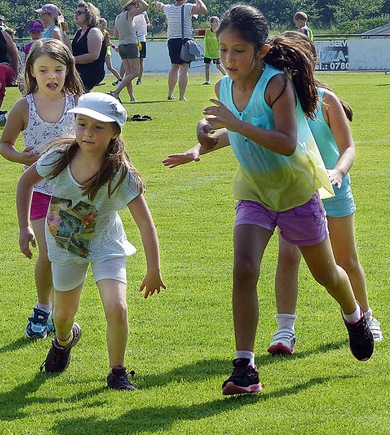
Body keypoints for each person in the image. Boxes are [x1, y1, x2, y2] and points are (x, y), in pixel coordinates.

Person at [162, 5, 374, 395]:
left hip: (296, 192)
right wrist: (200, 146)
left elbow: (285, 141)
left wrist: (235, 123)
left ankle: (354, 315)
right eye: (223, 50)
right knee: (243, 268)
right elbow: (234, 134)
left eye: (238, 50)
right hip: (254, 193)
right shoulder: (223, 87)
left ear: (260, 51)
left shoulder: (277, 85)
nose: (228, 59)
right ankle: (244, 367)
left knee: (326, 273)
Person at [16, 92, 166, 390]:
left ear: (114, 133)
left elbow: (145, 224)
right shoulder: (58, 158)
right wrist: (24, 228)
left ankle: (117, 372)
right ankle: (63, 341)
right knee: (62, 316)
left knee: (116, 307)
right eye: (82, 124)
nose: (88, 133)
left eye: (98, 127)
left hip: (105, 247)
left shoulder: (120, 174)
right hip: (64, 247)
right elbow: (25, 182)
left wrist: (154, 269)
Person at [271, 31, 383, 354]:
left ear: (308, 64)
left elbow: (348, 148)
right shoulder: (277, 102)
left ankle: (366, 317)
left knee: (346, 259)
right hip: (296, 193)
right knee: (288, 255)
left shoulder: (325, 101)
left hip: (334, 191)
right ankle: (284, 331)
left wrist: (338, 172)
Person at [0, 39, 83, 340]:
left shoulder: (78, 103)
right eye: (44, 69)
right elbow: (4, 145)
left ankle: (63, 314)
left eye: (58, 69)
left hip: (73, 193)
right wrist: (22, 157)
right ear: (31, 72)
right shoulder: (24, 106)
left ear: (67, 70)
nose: (52, 76)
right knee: (47, 255)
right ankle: (43, 308)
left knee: (69, 256)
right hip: (39, 191)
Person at [151, 0, 207, 101]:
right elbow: (203, 10)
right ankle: (181, 96)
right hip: (185, 40)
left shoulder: (168, 8)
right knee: (184, 68)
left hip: (172, 40)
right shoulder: (188, 7)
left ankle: (170, 93)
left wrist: (155, 2)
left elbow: (161, 5)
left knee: (174, 67)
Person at [110, 0, 149, 103]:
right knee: (135, 72)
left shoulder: (118, 17)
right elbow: (146, 7)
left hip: (122, 45)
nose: (136, 5)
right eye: (134, 3)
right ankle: (116, 92)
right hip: (131, 44)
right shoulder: (129, 14)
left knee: (128, 74)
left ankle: (131, 97)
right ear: (129, 6)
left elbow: (116, 36)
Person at [71, 2, 107, 92]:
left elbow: (93, 56)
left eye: (79, 13)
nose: (76, 15)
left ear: (88, 15)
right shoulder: (79, 33)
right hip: (78, 70)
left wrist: (72, 60)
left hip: (90, 72)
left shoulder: (94, 31)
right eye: (75, 12)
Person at [197, 15, 226, 85]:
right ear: (211, 23)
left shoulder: (219, 32)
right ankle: (207, 81)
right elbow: (197, 31)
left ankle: (226, 77)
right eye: (216, 21)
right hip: (208, 53)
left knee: (218, 66)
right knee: (207, 66)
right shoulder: (206, 31)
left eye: (218, 21)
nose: (218, 22)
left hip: (216, 52)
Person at [99, 18, 122, 84]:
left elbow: (108, 43)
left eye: (105, 25)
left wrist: (114, 47)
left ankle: (120, 79)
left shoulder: (106, 33)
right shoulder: (97, 32)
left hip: (106, 52)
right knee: (98, 66)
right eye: (103, 25)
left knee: (110, 67)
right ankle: (97, 80)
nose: (104, 26)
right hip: (99, 52)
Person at [133, 9, 150, 85]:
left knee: (141, 60)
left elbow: (148, 22)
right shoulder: (131, 12)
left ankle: (139, 79)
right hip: (133, 39)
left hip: (141, 39)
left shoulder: (144, 12)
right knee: (131, 59)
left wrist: (146, 25)